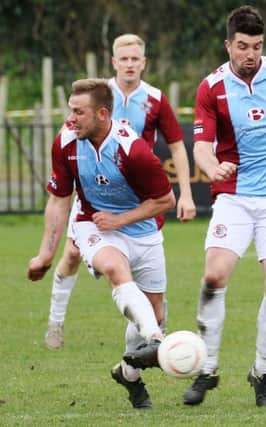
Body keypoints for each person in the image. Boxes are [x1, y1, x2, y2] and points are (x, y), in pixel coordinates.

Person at [174, 5, 266, 407]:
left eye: (256, 46)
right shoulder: (211, 87)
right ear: (228, 45)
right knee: (214, 277)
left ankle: (262, 374)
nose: (250, 54)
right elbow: (201, 146)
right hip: (234, 197)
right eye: (242, 46)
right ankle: (207, 368)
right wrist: (212, 167)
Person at [28, 78, 175, 409]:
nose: (71, 119)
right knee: (113, 268)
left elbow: (165, 200)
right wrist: (45, 254)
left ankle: (128, 374)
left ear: (103, 114)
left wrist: (120, 220)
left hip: (142, 229)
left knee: (154, 311)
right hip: (93, 225)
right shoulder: (65, 143)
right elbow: (59, 200)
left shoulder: (133, 151)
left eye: (79, 112)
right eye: (70, 111)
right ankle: (158, 340)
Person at [44, 33, 196, 350]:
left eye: (134, 59)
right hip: (93, 191)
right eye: (123, 59)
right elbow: (71, 131)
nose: (129, 64)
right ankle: (55, 322)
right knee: (72, 252)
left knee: (150, 298)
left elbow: (177, 146)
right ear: (113, 62)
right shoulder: (96, 96)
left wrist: (186, 193)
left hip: (137, 195)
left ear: (143, 63)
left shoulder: (155, 98)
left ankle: (139, 349)